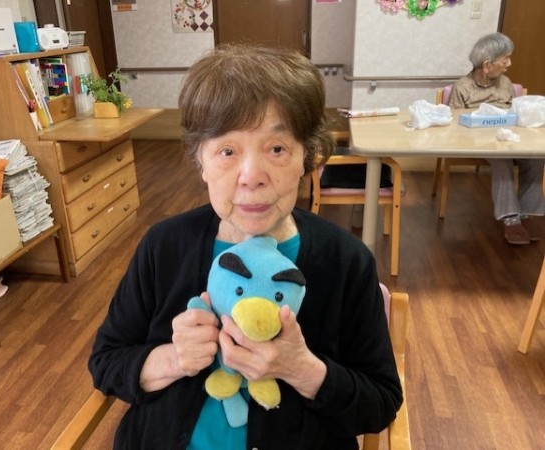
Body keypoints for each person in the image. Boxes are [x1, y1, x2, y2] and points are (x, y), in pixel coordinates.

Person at [88, 44, 402, 449]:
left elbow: (380, 404)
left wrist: (301, 368)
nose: (251, 176)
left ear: (307, 158)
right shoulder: (163, 247)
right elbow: (106, 361)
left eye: (277, 148)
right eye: (227, 151)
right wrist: (174, 359)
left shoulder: (346, 261)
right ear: (201, 161)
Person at [449, 32, 545, 245]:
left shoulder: (505, 83)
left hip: (510, 138)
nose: (509, 64)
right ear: (487, 65)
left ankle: (527, 213)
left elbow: (516, 112)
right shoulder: (463, 86)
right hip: (479, 142)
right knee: (502, 161)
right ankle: (511, 219)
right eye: (505, 59)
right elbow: (453, 124)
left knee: (537, 158)